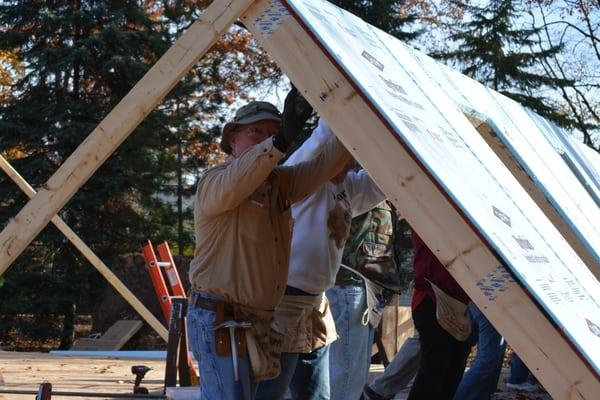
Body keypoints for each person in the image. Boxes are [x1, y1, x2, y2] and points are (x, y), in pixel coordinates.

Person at [187, 89, 352, 400]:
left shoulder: (279, 184)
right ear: (232, 139)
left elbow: (327, 163)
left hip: (258, 320)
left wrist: (350, 119)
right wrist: (278, 143)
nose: (265, 138)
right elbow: (241, 179)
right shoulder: (215, 181)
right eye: (255, 132)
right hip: (222, 320)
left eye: (272, 132)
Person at [255, 119, 385, 400]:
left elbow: (386, 179)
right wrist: (342, 107)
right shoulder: (301, 179)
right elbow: (322, 135)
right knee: (270, 393)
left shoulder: (347, 187)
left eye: (353, 156)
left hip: (315, 306)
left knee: (315, 396)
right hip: (284, 302)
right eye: (345, 155)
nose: (351, 163)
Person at [327, 200, 401, 399]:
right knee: (346, 380)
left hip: (362, 289)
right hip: (351, 288)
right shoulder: (358, 179)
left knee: (352, 377)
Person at [407, 231, 471, 400]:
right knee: (434, 372)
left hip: (459, 304)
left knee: (453, 369)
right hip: (432, 300)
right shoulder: (432, 218)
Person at [452, 303, 506, 400]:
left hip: (485, 301)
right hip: (489, 302)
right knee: (488, 360)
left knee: (492, 356)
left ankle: (482, 395)